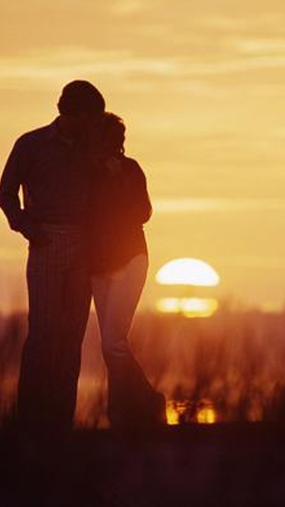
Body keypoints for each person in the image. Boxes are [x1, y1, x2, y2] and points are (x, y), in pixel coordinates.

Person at [0, 80, 105, 444]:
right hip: (46, 241)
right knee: (42, 334)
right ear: (69, 113)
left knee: (72, 336)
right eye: (89, 117)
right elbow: (6, 193)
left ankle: (61, 423)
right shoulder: (31, 144)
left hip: (86, 245)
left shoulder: (94, 148)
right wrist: (28, 229)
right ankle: (30, 420)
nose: (93, 124)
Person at [88, 111, 166, 429]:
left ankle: (145, 400)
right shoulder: (85, 174)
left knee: (112, 343)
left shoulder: (131, 170)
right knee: (113, 343)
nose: (111, 145)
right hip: (97, 264)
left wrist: (117, 181)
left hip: (131, 259)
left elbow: (144, 212)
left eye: (114, 139)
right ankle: (121, 411)